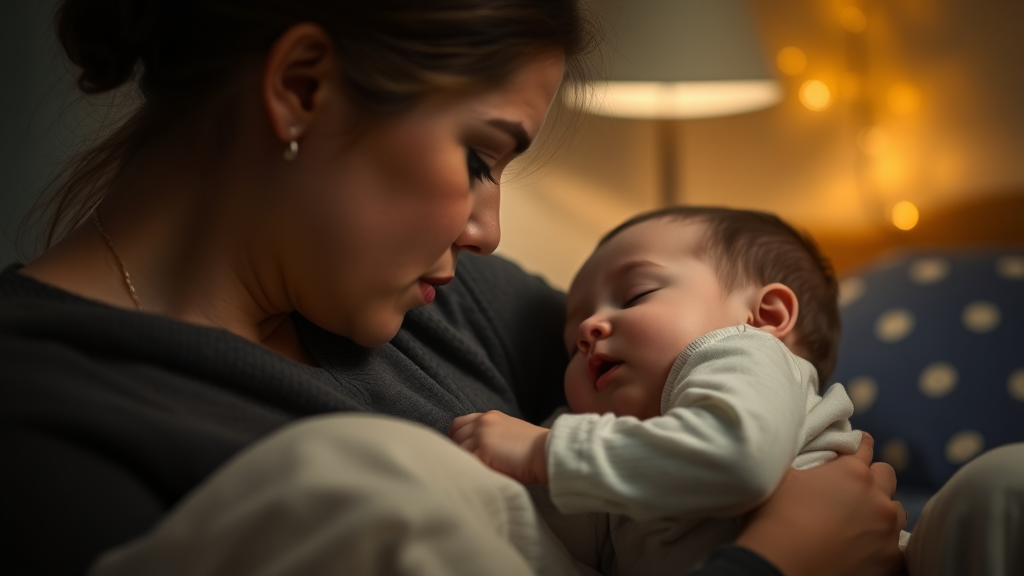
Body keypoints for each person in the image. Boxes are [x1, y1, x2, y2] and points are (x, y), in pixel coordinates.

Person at [1, 1, 913, 575]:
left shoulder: (464, 306)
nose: (487, 232)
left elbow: (729, 392)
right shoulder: (40, 405)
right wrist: (780, 561)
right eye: (480, 158)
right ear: (303, 89)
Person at [450, 207, 909, 573]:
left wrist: (540, 452)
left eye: (635, 295)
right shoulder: (595, 441)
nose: (589, 327)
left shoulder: (742, 351)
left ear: (765, 316)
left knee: (976, 498)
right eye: (571, 342)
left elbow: (737, 459)